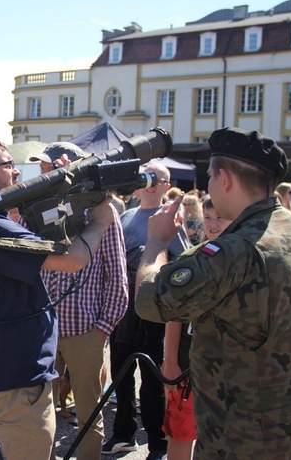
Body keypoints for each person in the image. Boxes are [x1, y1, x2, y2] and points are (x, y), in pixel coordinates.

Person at [135, 127, 291, 458]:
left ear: (224, 179)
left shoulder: (234, 251)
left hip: (244, 439)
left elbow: (150, 300)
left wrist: (156, 243)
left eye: (210, 176)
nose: (208, 185)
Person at [0, 139, 114, 460]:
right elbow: (71, 259)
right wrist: (100, 221)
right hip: (17, 382)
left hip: (7, 376)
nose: (15, 171)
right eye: (6, 164)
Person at [32, 142, 129, 459]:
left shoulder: (102, 209)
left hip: (85, 329)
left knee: (89, 414)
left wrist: (102, 328)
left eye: (49, 166)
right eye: (44, 167)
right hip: (44, 326)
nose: (44, 172)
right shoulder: (40, 205)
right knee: (36, 410)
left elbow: (117, 275)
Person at [104, 162, 185, 459]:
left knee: (152, 379)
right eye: (147, 178)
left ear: (167, 185)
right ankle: (123, 434)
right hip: (123, 307)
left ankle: (157, 442)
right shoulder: (125, 216)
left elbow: (180, 263)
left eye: (158, 179)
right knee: (121, 374)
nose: (151, 184)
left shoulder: (172, 218)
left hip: (153, 311)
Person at [161, 196, 233, 460]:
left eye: (221, 217)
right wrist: (170, 362)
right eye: (209, 217)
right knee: (181, 432)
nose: (213, 224)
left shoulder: (246, 258)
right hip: (187, 365)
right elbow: (175, 314)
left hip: (229, 371)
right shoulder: (191, 257)